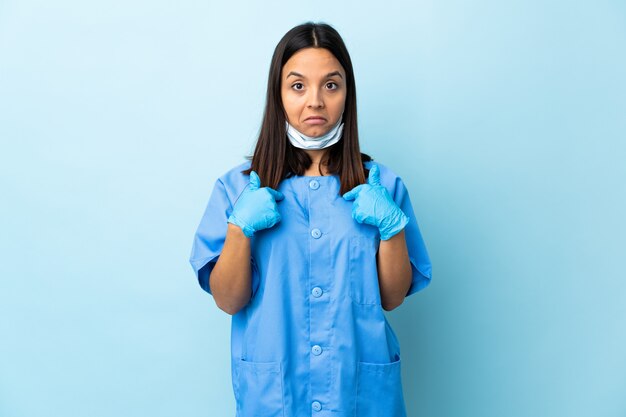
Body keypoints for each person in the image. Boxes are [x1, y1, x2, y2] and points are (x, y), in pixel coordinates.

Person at [189, 21, 432, 417]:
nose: (315, 101)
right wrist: (238, 229)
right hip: (275, 396)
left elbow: (391, 297)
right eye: (298, 86)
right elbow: (228, 299)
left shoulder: (382, 186)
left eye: (331, 85)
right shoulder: (238, 190)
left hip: (359, 395)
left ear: (347, 95)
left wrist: (392, 229)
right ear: (278, 94)